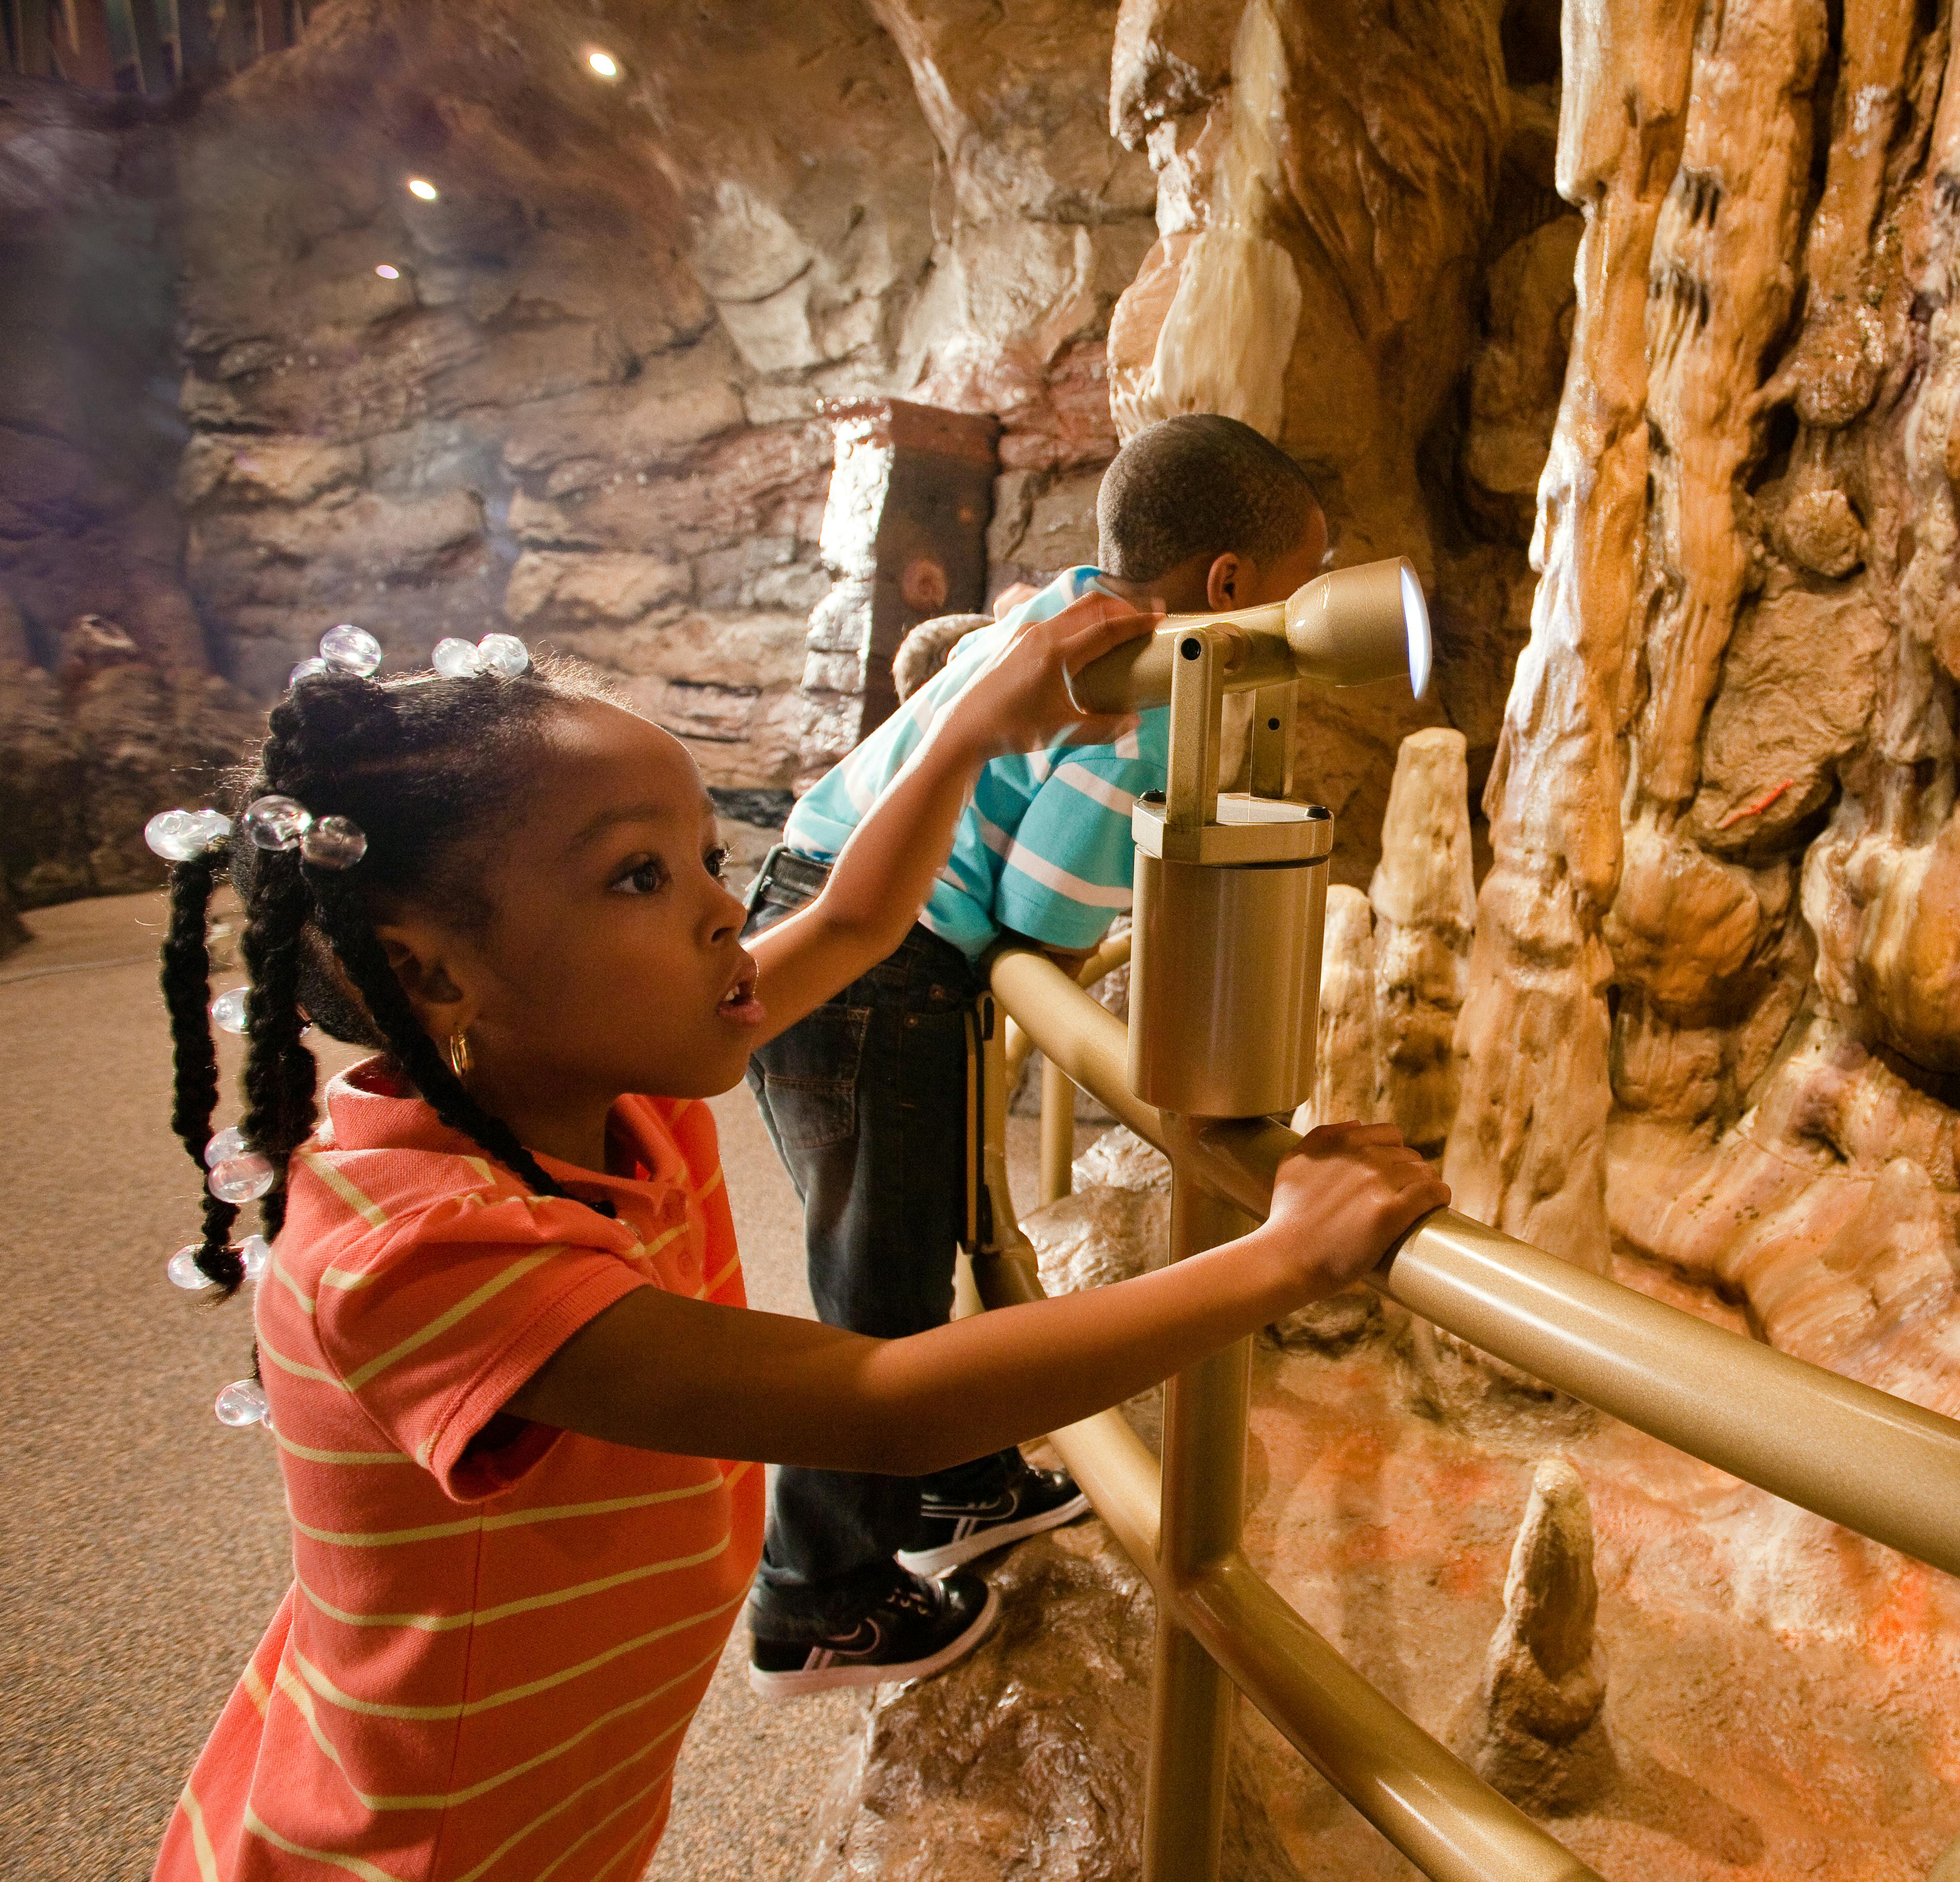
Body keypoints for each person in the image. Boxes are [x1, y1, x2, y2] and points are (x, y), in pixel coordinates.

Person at [149, 615, 1445, 1880]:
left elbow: (850, 928)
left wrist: (965, 731)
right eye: (639, 877)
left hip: (556, 1793)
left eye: (710, 856)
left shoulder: (612, 1087)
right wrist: (1282, 1259)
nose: (725, 911)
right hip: (417, 1841)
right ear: (431, 976)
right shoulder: (421, 1255)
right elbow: (878, 1404)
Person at [737, 414, 1330, 1685]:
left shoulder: (1065, 609)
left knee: (920, 1228)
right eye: (1302, 588)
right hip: (873, 973)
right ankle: (814, 1598)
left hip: (832, 914)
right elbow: (1045, 908)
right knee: (876, 1292)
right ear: (1229, 590)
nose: (1311, 614)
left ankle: (946, 1486)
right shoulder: (1142, 696)